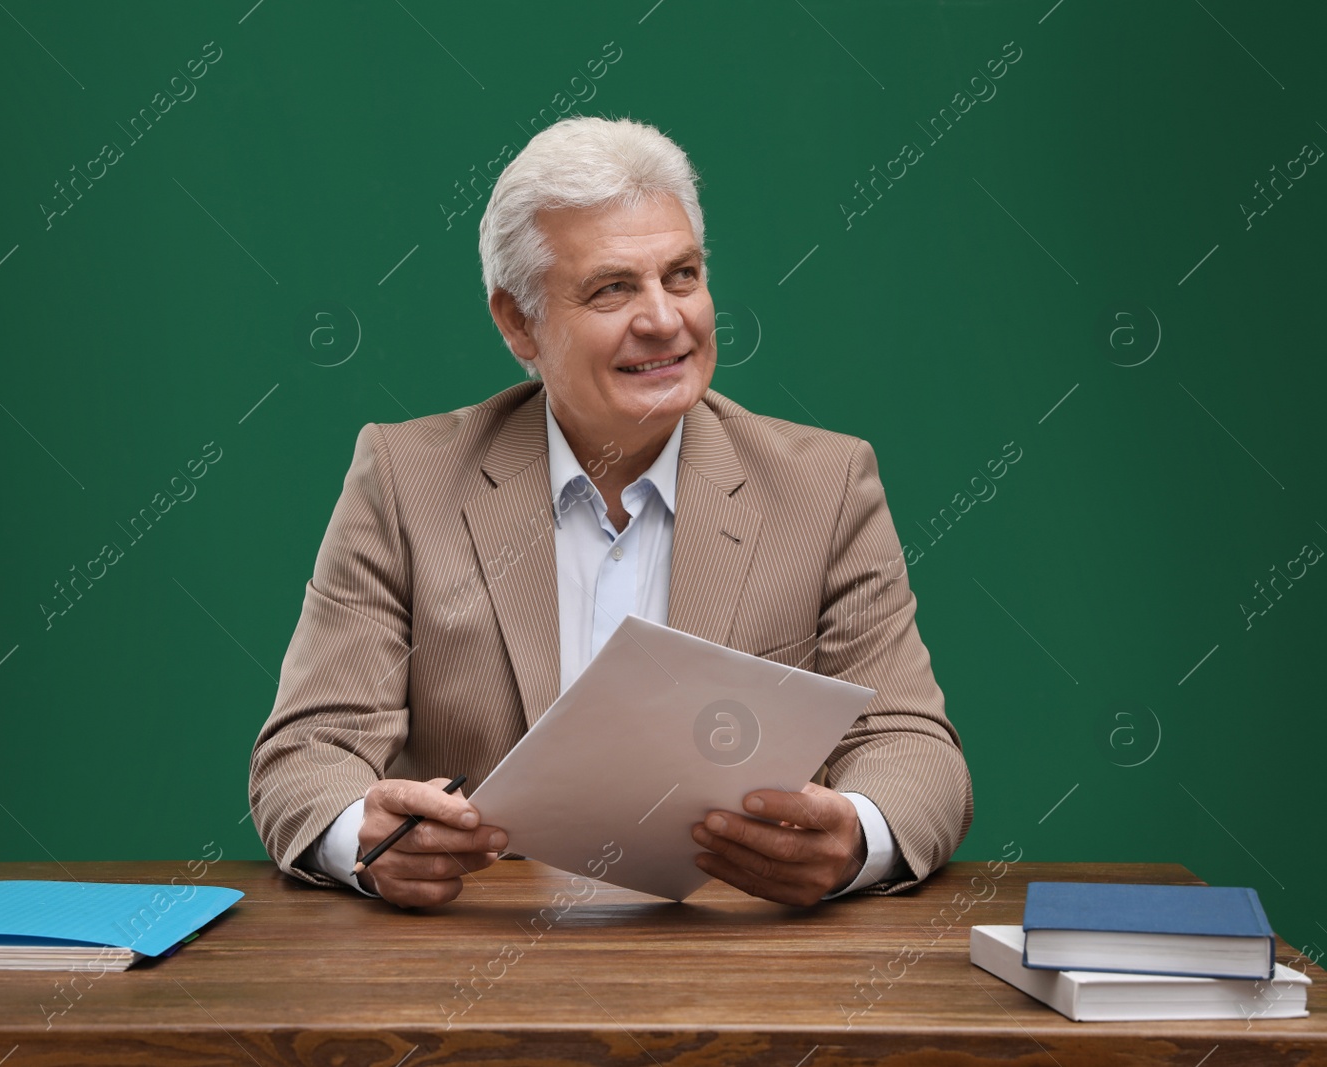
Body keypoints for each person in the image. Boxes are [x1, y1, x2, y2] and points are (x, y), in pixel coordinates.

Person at [250, 116, 972, 909]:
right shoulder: (405, 481)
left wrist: (856, 838)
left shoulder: (826, 486)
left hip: (737, 958)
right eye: (612, 288)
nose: (665, 319)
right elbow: (307, 751)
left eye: (683, 275)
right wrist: (365, 837)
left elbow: (916, 749)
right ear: (517, 321)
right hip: (473, 954)